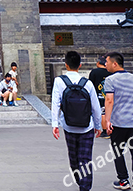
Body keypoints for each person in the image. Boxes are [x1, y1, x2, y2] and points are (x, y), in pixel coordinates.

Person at [52, 50, 102, 191]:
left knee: (74, 159)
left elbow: (55, 103)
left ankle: (81, 183)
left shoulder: (59, 81)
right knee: (85, 159)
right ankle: (85, 186)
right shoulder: (87, 83)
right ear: (79, 65)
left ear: (66, 65)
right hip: (87, 127)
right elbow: (96, 107)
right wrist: (98, 126)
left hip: (69, 126)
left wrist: (55, 124)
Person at [104, 51, 133, 191]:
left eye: (107, 62)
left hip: (118, 123)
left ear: (114, 64)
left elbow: (109, 100)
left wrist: (108, 120)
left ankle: (123, 180)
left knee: (118, 151)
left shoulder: (110, 80)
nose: (106, 65)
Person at [88, 55, 111, 137]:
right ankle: (110, 129)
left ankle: (105, 131)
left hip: (98, 96)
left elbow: (91, 84)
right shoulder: (110, 72)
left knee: (102, 113)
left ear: (98, 63)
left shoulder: (94, 72)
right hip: (110, 96)